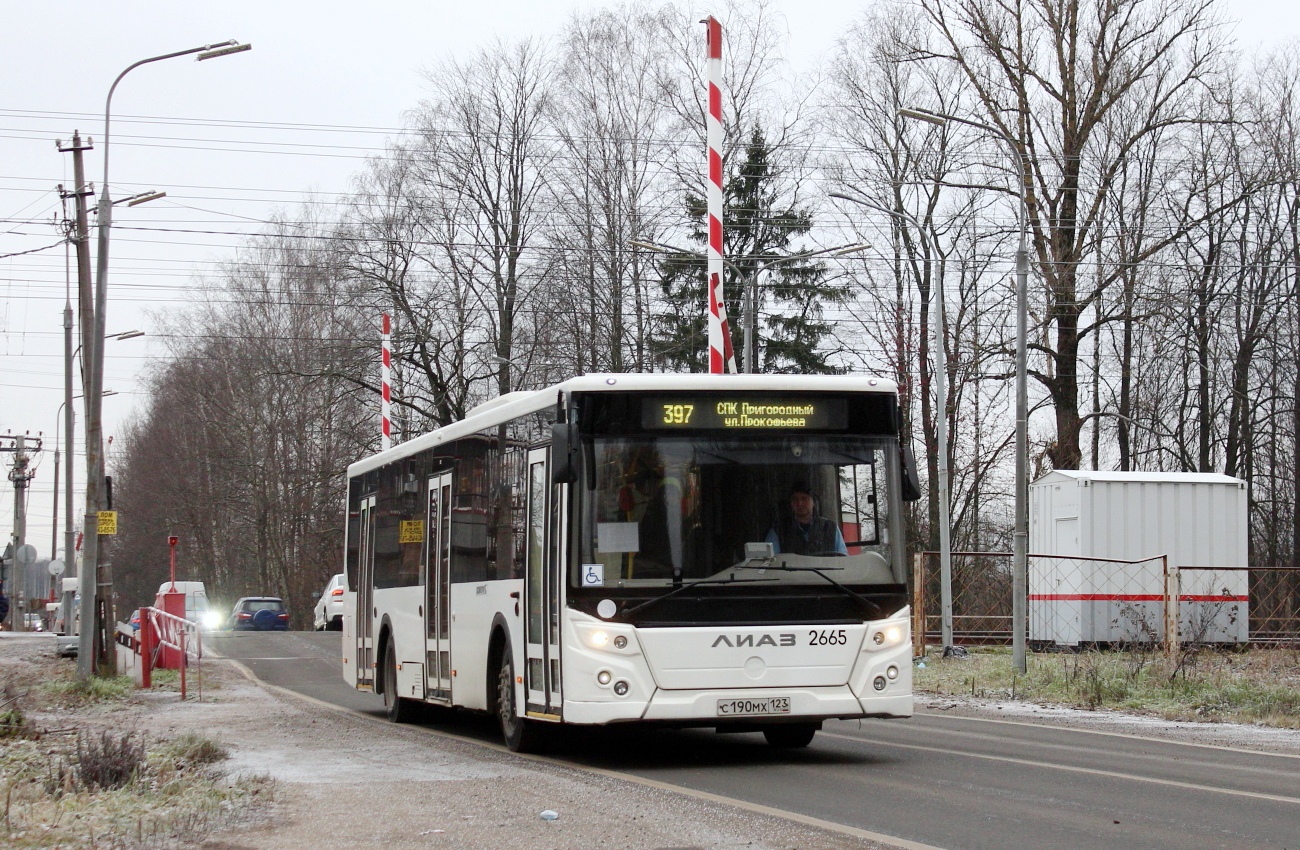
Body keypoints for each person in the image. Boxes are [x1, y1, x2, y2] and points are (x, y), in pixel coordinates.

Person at [765, 481, 847, 555]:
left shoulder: (830, 528)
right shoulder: (778, 531)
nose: (799, 503)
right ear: (791, 503)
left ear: (813, 502)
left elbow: (842, 560)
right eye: (795, 499)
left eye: (804, 499)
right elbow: (770, 562)